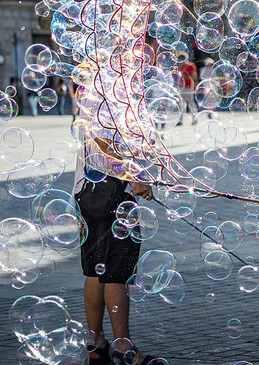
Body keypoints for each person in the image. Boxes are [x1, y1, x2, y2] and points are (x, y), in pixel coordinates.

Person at [74, 136, 152, 365]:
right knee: (117, 272)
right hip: (114, 196)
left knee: (96, 271)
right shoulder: (110, 98)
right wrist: (134, 174)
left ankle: (97, 345)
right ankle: (123, 348)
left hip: (89, 192)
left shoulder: (90, 99)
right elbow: (103, 140)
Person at [178, 58, 198, 125]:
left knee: (190, 103)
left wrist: (185, 77)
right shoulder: (181, 66)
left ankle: (195, 119)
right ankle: (180, 120)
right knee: (181, 104)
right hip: (181, 87)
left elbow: (194, 77)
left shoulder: (191, 66)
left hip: (189, 87)